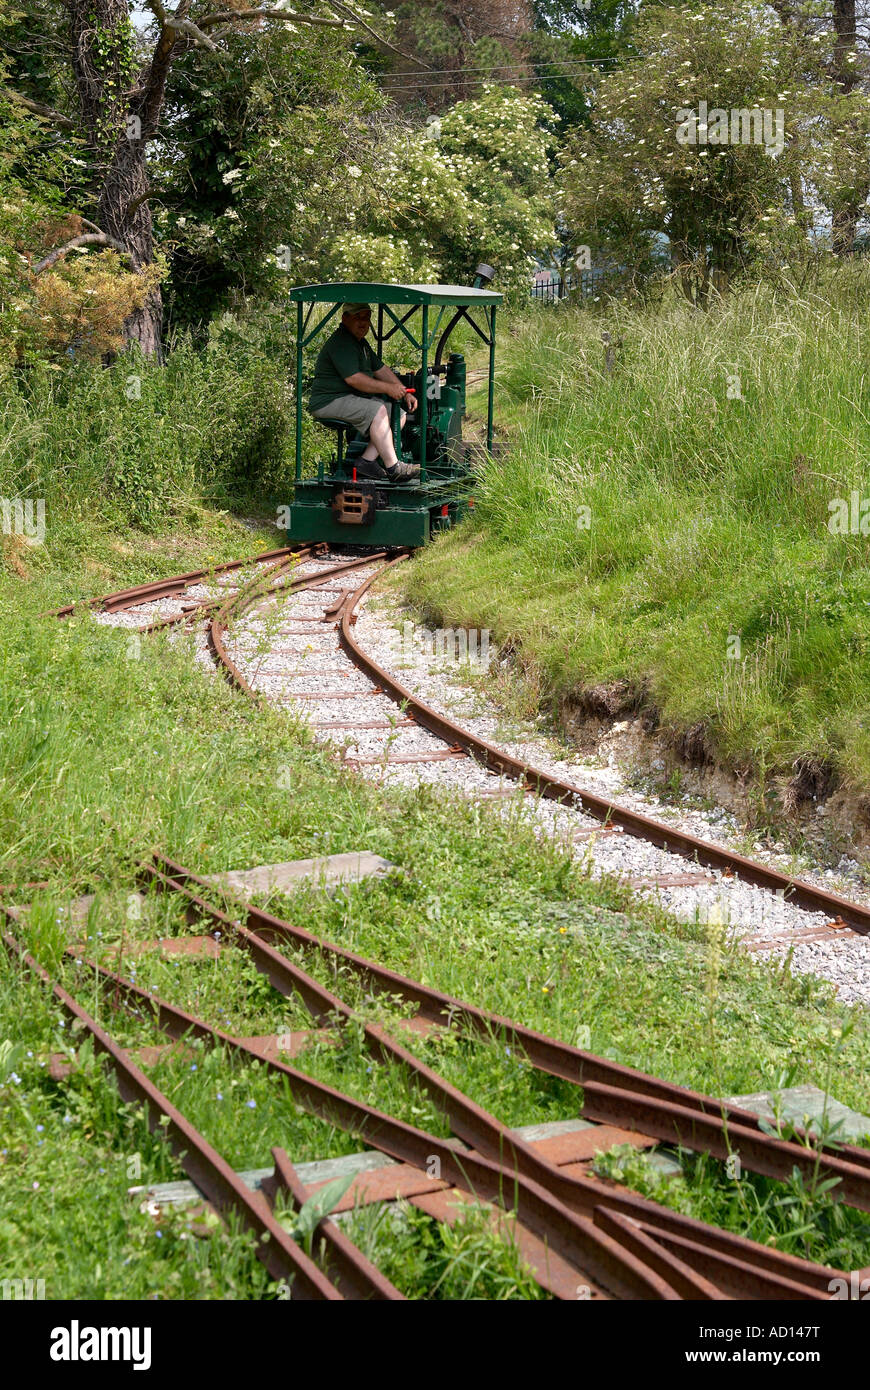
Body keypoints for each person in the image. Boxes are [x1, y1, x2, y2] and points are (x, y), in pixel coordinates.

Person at [309, 303, 420, 481]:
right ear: (345, 318)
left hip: (346, 398)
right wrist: (388, 389)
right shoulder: (341, 342)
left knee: (397, 414)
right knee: (377, 410)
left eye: (366, 318)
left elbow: (381, 369)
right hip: (328, 401)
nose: (363, 323)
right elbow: (354, 379)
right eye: (357, 318)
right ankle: (394, 467)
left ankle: (366, 462)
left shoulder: (360, 343)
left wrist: (404, 392)